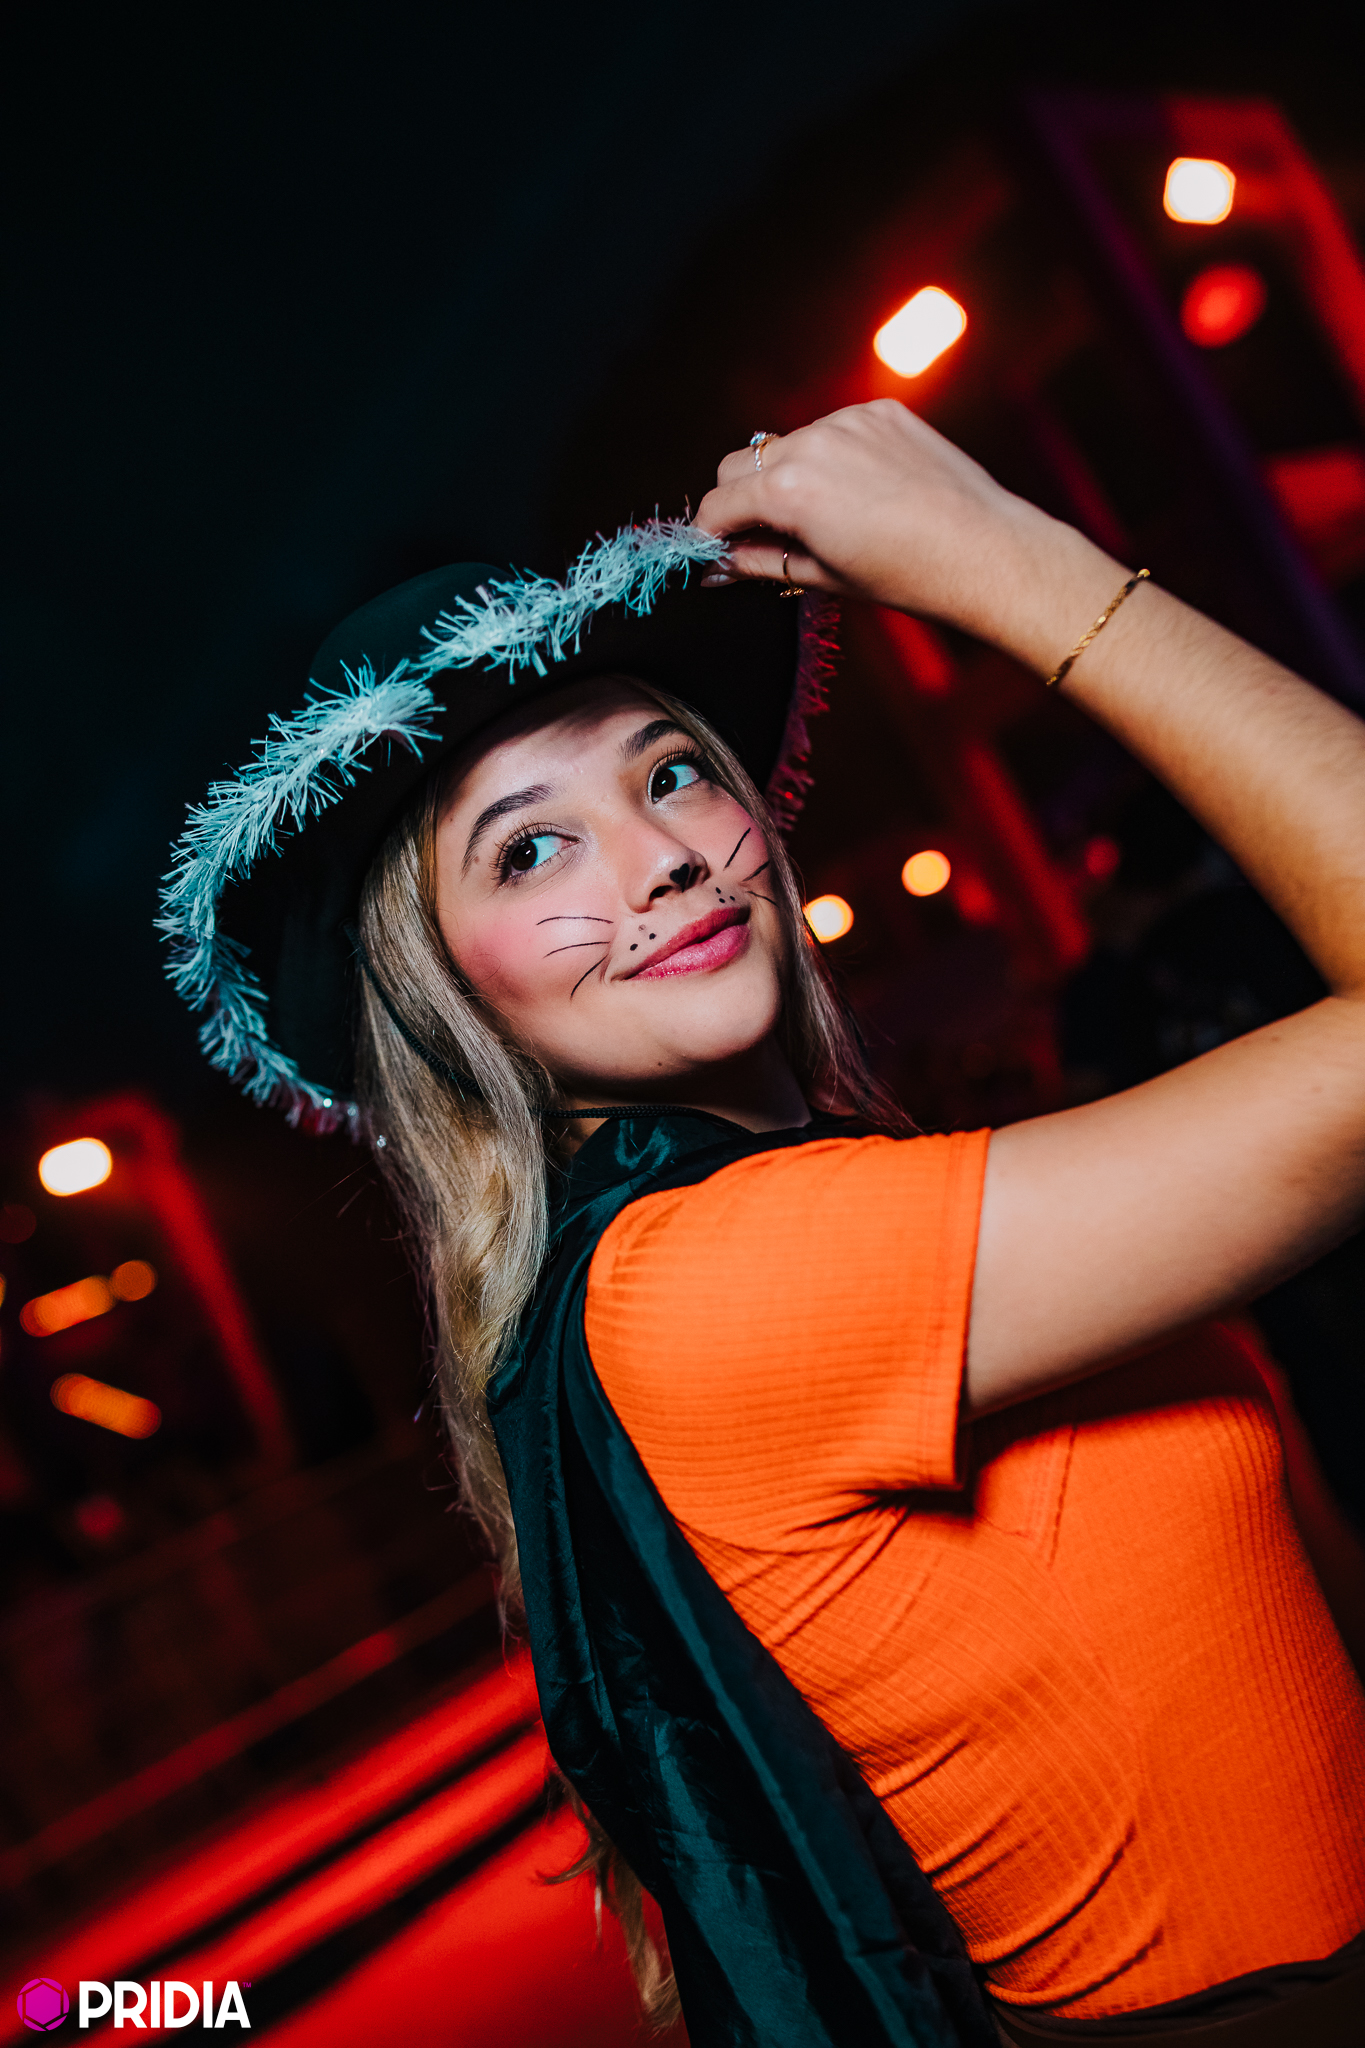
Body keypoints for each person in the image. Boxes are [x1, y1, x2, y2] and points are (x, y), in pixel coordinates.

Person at [163, 402, 1365, 2046]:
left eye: (669, 773)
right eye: (531, 849)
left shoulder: (836, 1200)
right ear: (450, 998)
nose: (660, 857)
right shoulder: (719, 1279)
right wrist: (1016, 567)